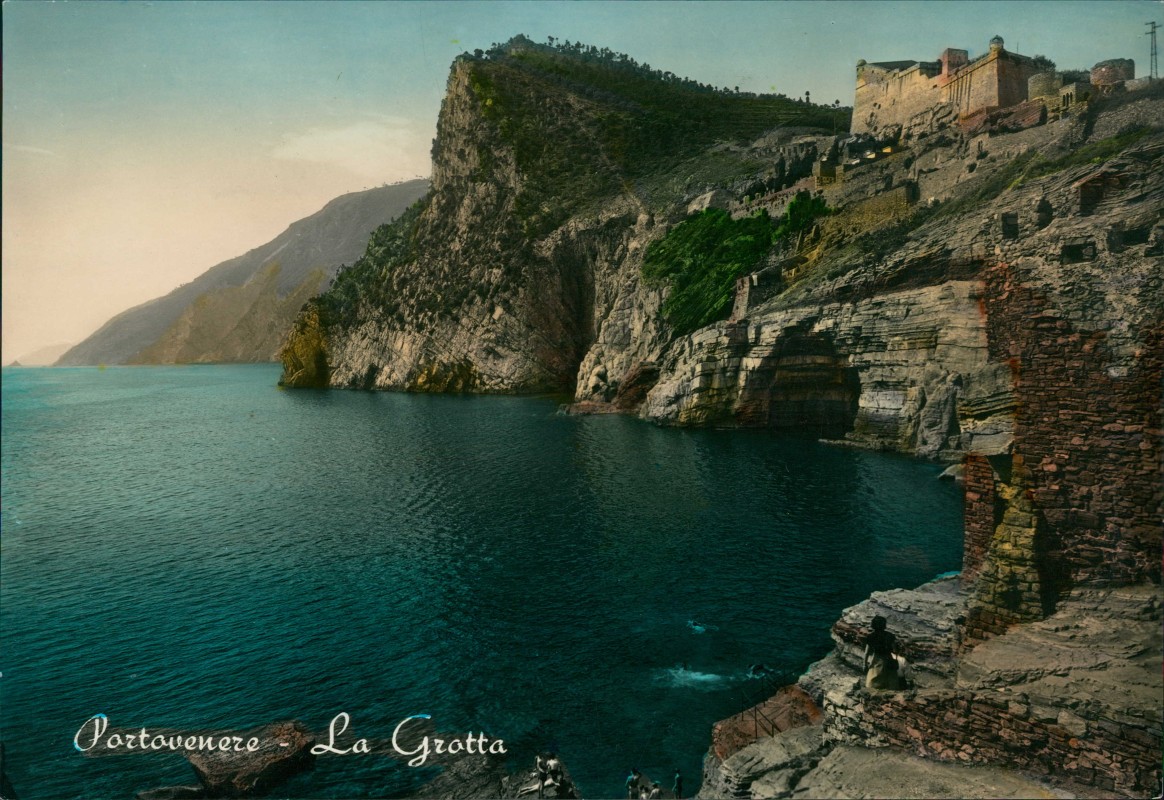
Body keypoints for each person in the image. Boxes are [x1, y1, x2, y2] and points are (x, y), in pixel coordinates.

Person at [863, 615, 901, 690]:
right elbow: (895, 651)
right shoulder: (890, 635)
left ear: (873, 625)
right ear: (884, 625)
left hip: (877, 660)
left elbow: (866, 653)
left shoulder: (871, 636)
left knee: (871, 682)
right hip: (888, 659)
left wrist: (864, 665)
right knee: (891, 681)